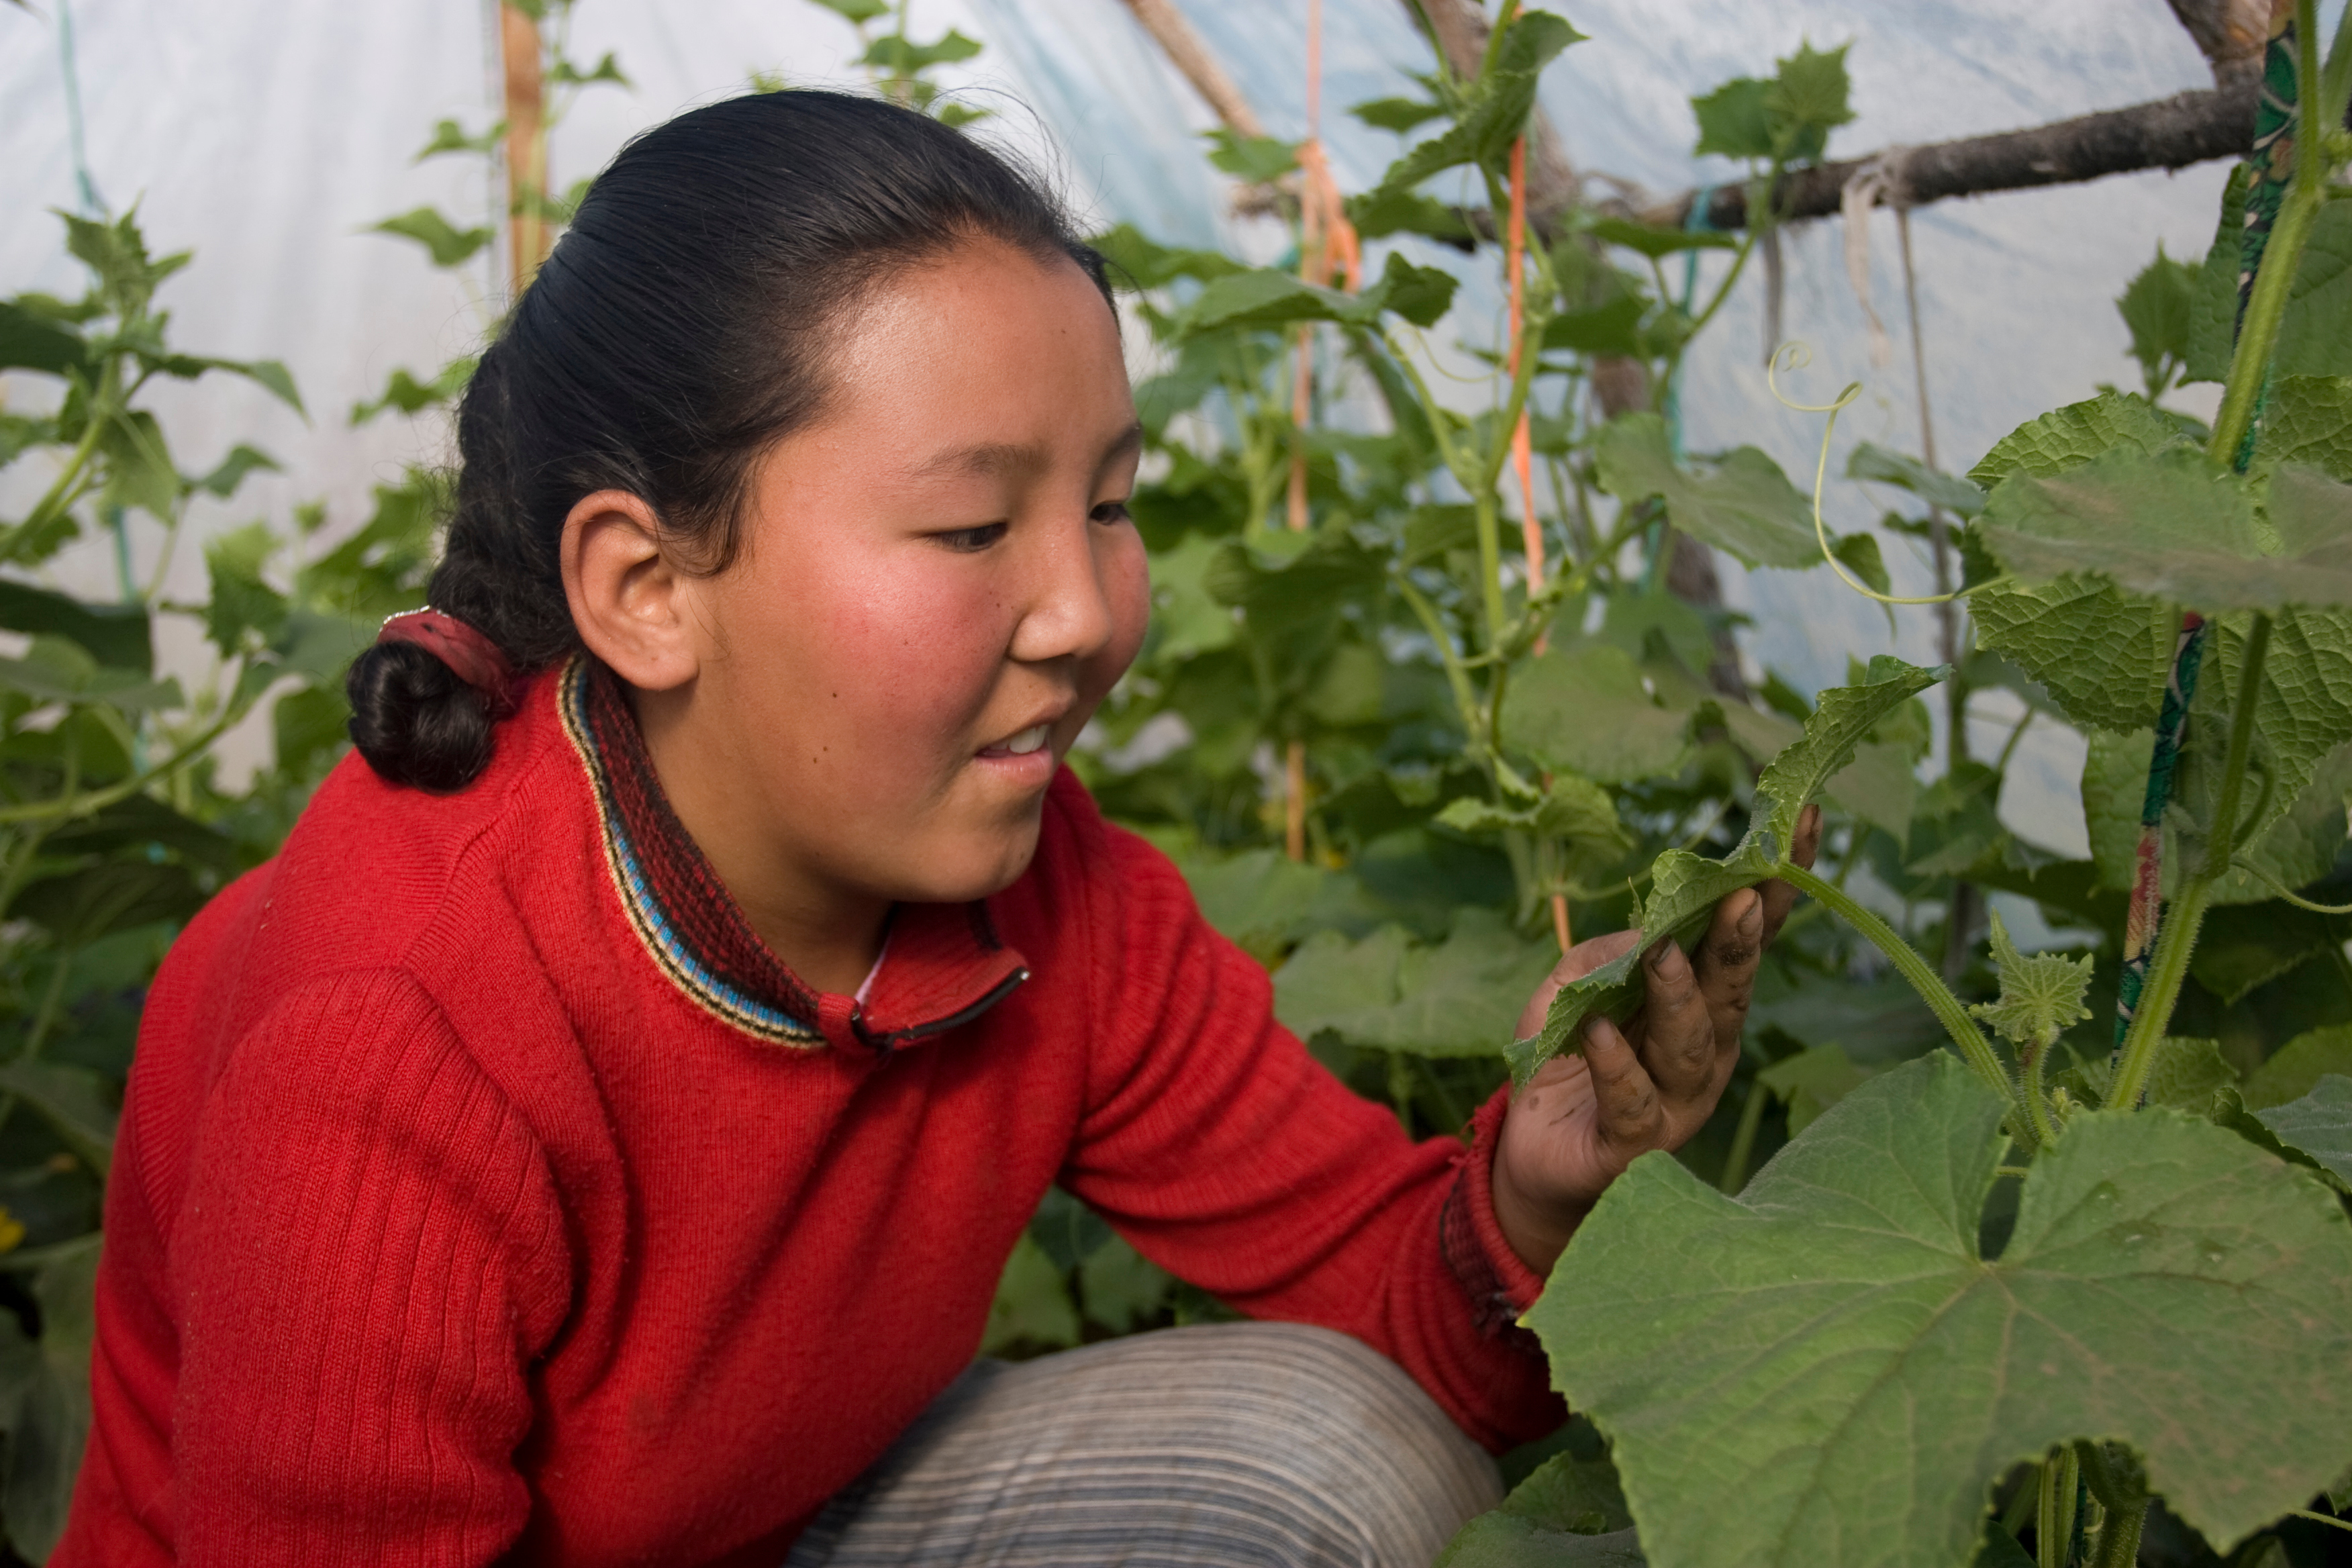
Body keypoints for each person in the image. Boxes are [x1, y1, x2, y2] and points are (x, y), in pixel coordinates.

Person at [54, 91, 1816, 1568]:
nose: (1085, 609)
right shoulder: (394, 1032)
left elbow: (1419, 1336)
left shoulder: (1056, 898)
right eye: (974, 529)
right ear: (648, 589)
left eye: (1110, 503)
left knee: (1345, 1460)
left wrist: (1526, 1185)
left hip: (754, 1525)